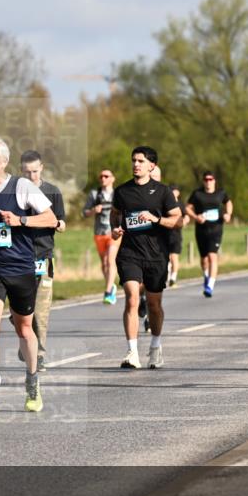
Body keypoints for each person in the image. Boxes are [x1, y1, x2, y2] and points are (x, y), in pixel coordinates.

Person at [0, 135, 57, 415]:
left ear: (4, 161)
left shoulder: (21, 186)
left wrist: (21, 220)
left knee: (24, 329)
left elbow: (51, 218)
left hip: (20, 268)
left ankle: (32, 382)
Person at [110, 146, 181, 370]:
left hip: (156, 255)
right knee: (132, 298)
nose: (136, 164)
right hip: (129, 253)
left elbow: (177, 220)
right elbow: (115, 213)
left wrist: (155, 219)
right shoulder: (122, 191)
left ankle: (155, 346)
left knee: (154, 304)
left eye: (140, 161)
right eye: (134, 160)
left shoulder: (163, 192)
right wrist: (115, 228)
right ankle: (132, 352)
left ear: (152, 166)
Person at [19, 150, 65, 372]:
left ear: (42, 168)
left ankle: (39, 354)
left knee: (41, 311)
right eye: (27, 172)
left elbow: (62, 223)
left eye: (35, 172)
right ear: (21, 171)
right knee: (21, 311)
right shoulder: (14, 192)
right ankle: (25, 335)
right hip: (19, 258)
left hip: (44, 258)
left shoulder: (52, 192)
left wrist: (56, 223)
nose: (31, 176)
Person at [186, 170, 232, 297]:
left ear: (214, 181)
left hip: (216, 229)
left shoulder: (221, 193)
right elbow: (188, 208)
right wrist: (196, 217)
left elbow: (228, 202)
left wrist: (228, 214)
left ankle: (210, 286)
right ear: (203, 181)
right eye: (206, 179)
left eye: (210, 179)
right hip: (201, 229)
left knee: (212, 256)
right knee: (204, 259)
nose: (208, 182)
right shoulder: (197, 194)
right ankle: (206, 276)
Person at [83, 169, 117, 304]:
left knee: (110, 260)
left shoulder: (117, 194)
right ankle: (111, 285)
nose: (103, 178)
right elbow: (84, 212)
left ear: (112, 179)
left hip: (113, 232)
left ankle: (108, 292)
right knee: (104, 264)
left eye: (106, 176)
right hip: (99, 232)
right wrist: (93, 211)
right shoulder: (94, 194)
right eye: (101, 176)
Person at [167, 185, 187, 289]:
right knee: (167, 257)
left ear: (178, 193)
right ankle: (167, 276)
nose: (173, 193)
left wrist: (184, 221)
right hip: (165, 234)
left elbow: (186, 215)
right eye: (171, 191)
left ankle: (173, 278)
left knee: (174, 257)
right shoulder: (165, 203)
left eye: (174, 191)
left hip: (176, 235)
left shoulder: (180, 204)